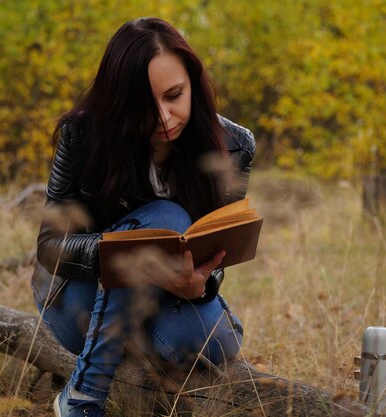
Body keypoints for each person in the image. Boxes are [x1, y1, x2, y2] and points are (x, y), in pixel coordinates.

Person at [31, 17, 256, 417]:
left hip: (168, 299)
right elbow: (50, 248)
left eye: (174, 96)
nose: (163, 117)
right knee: (166, 216)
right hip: (77, 296)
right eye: (143, 106)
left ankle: (130, 354)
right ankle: (84, 395)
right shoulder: (82, 135)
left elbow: (218, 250)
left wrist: (199, 286)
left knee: (214, 343)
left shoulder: (234, 147)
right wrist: (130, 255)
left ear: (193, 82)